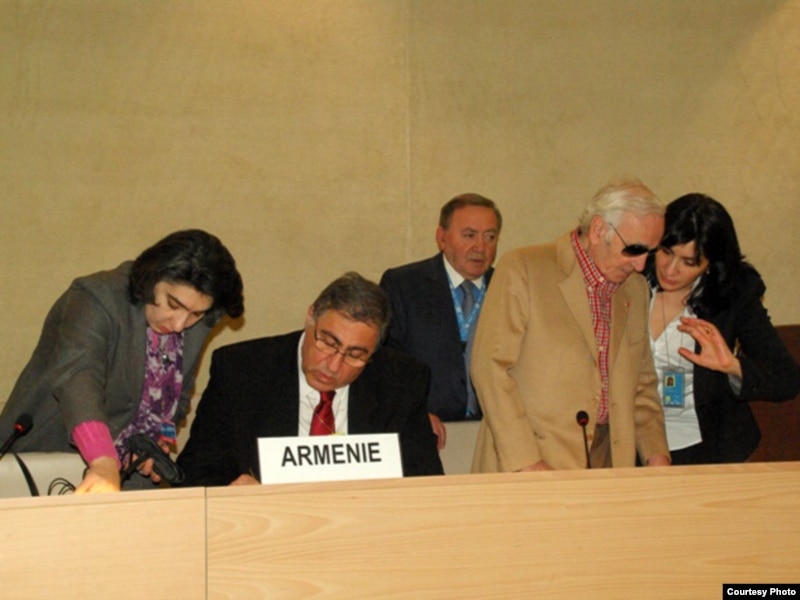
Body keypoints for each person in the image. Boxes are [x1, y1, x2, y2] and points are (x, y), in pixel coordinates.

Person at [0, 230, 244, 493]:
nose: (179, 324)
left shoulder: (197, 320)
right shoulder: (96, 297)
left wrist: (156, 441)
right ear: (152, 277)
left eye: (195, 314)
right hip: (49, 462)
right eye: (173, 304)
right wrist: (103, 459)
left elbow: (178, 395)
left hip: (131, 474)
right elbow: (78, 378)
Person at [471, 178, 671, 472]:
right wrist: (526, 462)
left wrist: (656, 455)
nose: (641, 265)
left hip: (610, 464)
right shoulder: (524, 269)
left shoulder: (636, 289)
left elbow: (642, 383)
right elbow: (490, 369)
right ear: (598, 229)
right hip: (528, 462)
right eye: (634, 249)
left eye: (649, 253)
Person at [176, 272, 443, 486]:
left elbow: (425, 484)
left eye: (355, 355)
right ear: (310, 316)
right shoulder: (241, 371)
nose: (334, 366)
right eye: (328, 342)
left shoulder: (402, 382)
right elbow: (195, 471)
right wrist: (232, 486)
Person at [645, 193, 800, 464]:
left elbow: (786, 379)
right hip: (636, 443)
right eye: (666, 252)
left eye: (689, 262)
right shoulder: (632, 281)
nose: (670, 270)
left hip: (707, 447)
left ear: (709, 265)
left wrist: (732, 366)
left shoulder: (733, 297)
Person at [380, 193, 502, 450]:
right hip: (427, 432)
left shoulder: (508, 286)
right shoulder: (404, 285)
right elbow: (385, 362)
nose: (481, 247)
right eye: (469, 235)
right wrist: (413, 411)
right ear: (442, 238)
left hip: (494, 433)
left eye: (490, 237)